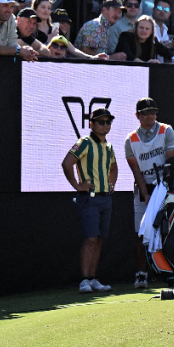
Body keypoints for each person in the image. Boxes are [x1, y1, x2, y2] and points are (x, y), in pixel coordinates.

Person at [123, 97, 174, 290]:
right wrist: (146, 195)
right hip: (144, 188)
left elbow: (172, 163)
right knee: (140, 231)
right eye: (145, 113)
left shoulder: (166, 130)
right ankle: (141, 273)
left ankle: (172, 271)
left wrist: (164, 189)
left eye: (153, 112)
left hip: (165, 186)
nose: (150, 116)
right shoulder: (131, 139)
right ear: (137, 116)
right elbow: (136, 170)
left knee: (169, 230)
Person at [63, 105, 118, 293]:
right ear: (91, 124)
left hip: (105, 199)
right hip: (89, 199)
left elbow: (113, 167)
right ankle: (84, 280)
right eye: (101, 122)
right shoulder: (84, 142)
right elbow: (67, 163)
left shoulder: (108, 146)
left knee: (100, 239)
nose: (105, 125)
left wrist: (112, 185)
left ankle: (93, 278)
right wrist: (77, 186)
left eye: (108, 122)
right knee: (90, 239)